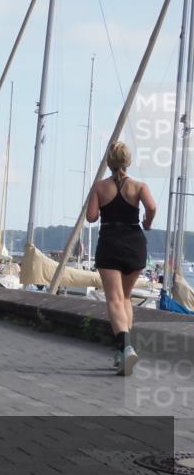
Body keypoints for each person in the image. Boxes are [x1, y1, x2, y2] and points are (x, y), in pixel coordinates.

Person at [85, 141, 156, 376]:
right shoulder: (139, 186)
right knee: (125, 298)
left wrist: (101, 202)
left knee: (114, 300)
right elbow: (152, 206)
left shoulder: (99, 187)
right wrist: (147, 222)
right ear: (128, 162)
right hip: (135, 243)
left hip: (110, 243)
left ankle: (125, 348)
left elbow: (91, 217)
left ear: (109, 162)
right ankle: (122, 350)